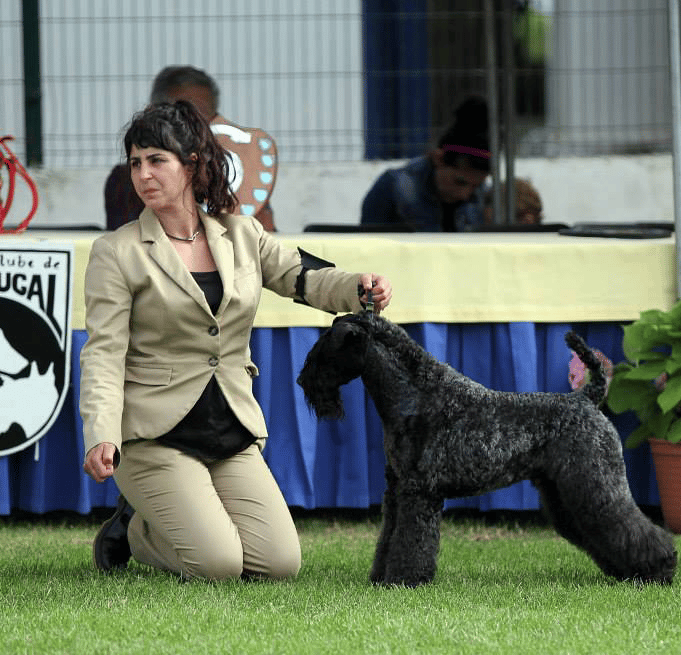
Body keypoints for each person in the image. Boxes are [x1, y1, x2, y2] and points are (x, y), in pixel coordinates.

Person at [81, 101, 392, 581]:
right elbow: (103, 352)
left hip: (229, 425)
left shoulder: (242, 232)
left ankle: (160, 519)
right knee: (219, 565)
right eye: (135, 162)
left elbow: (302, 277)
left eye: (156, 160)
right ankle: (135, 531)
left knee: (278, 565)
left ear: (192, 165)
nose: (143, 174)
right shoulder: (115, 252)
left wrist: (357, 286)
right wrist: (102, 432)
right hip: (151, 435)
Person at [105, 65, 277, 232]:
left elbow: (267, 239)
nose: (197, 125)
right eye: (181, 116)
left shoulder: (240, 174)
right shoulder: (128, 180)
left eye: (204, 116)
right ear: (155, 114)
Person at [360, 95, 490, 232]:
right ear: (437, 158)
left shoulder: (481, 196)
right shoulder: (390, 188)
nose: (465, 194)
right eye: (459, 182)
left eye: (476, 186)